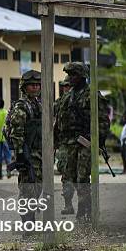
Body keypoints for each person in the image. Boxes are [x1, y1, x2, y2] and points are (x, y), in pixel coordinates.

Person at [55, 62, 110, 222]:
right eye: (69, 75)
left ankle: (85, 210)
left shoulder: (92, 95)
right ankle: (79, 208)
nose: (70, 78)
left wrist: (96, 141)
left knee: (82, 178)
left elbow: (103, 121)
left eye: (73, 75)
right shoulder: (67, 97)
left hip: (86, 143)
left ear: (82, 76)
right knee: (69, 177)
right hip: (69, 144)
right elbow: (59, 120)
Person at [7, 70, 42, 223]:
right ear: (24, 87)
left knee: (37, 188)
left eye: (37, 85)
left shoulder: (37, 105)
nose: (35, 88)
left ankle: (31, 221)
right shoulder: (21, 106)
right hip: (27, 153)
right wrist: (20, 153)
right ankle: (27, 224)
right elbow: (17, 131)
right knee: (27, 189)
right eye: (31, 85)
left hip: (39, 153)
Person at [54, 77, 74, 215]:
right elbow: (56, 123)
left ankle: (86, 208)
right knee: (65, 174)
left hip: (79, 143)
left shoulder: (79, 100)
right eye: (64, 86)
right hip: (64, 144)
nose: (65, 88)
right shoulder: (59, 103)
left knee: (81, 176)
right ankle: (69, 205)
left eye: (68, 86)